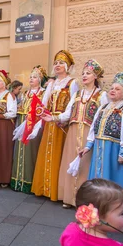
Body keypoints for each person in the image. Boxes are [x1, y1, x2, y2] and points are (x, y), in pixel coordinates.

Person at [46, 60, 107, 207]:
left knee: (85, 164)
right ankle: (68, 198)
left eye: (88, 73)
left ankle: (83, 200)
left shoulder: (101, 95)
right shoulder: (77, 94)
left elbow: (102, 117)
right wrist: (53, 118)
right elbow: (67, 113)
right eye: (83, 73)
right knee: (70, 160)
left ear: (96, 77)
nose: (84, 76)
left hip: (88, 132)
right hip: (73, 131)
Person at [32, 50, 80, 201]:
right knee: (46, 152)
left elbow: (73, 106)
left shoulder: (72, 83)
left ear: (68, 66)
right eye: (56, 63)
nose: (58, 65)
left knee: (60, 155)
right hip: (49, 122)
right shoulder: (52, 83)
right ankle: (44, 188)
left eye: (61, 63)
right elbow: (44, 104)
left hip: (61, 124)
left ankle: (56, 191)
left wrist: (61, 118)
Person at [82, 73, 123, 196]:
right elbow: (93, 126)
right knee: (97, 175)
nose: (113, 90)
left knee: (112, 178)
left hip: (114, 149)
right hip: (99, 146)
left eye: (117, 89)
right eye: (112, 88)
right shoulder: (103, 107)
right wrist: (88, 145)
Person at [10, 66, 48, 194]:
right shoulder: (25, 93)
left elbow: (43, 109)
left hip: (34, 124)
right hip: (22, 121)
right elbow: (20, 107)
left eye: (35, 77)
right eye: (30, 77)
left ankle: (29, 181)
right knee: (19, 150)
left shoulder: (43, 93)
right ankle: (17, 181)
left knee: (30, 151)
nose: (31, 79)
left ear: (40, 80)